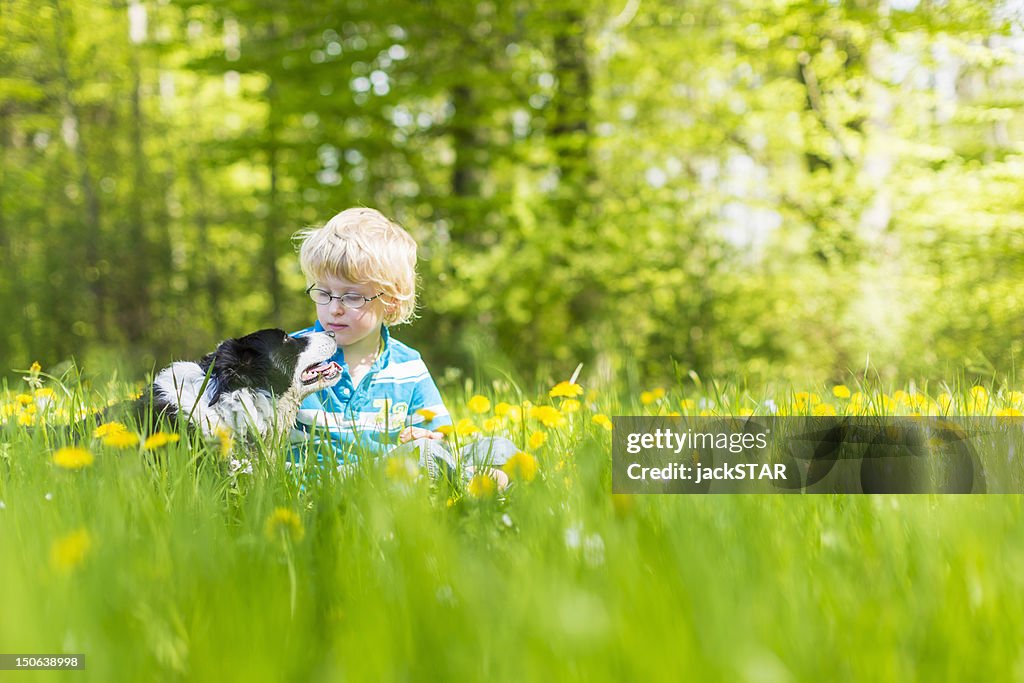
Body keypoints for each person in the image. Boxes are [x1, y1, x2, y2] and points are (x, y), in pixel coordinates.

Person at [289, 207, 516, 487]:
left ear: (392, 301)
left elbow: (438, 437)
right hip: (324, 484)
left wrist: (427, 436)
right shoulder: (290, 357)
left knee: (498, 449)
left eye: (352, 297)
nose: (334, 308)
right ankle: (475, 486)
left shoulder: (408, 366)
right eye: (323, 293)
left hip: (394, 480)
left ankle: (483, 486)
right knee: (422, 456)